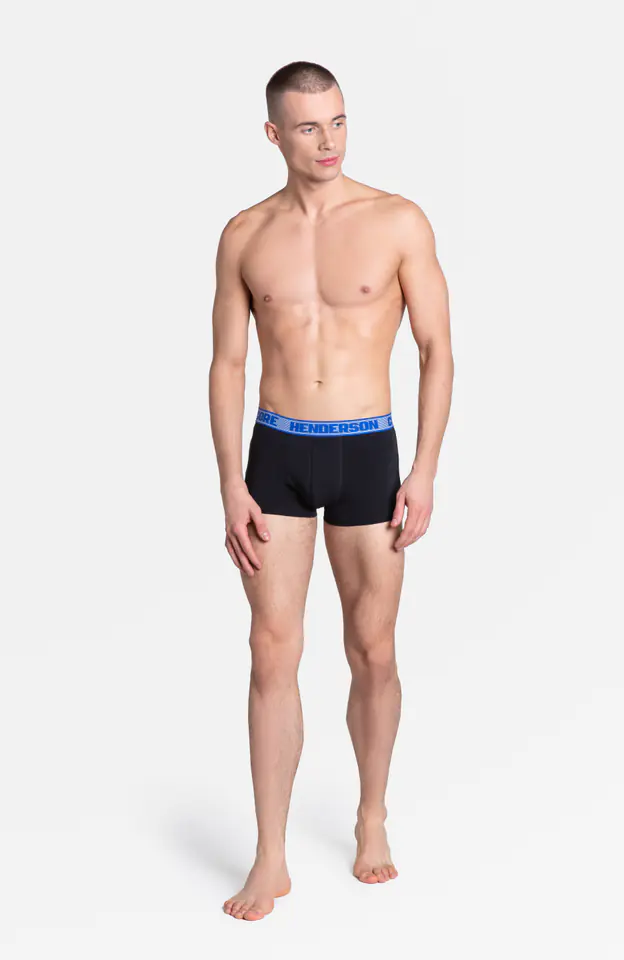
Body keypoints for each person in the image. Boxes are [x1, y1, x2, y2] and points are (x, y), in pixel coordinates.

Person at [209, 60, 454, 921]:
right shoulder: (244, 233)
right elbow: (228, 363)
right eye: (309, 127)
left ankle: (371, 814)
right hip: (276, 451)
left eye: (339, 121)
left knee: (373, 649)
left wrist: (423, 469)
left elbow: (437, 350)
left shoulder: (396, 220)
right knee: (270, 650)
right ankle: (270, 854)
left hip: (366, 451)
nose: (329, 141)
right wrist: (230, 481)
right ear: (273, 134)